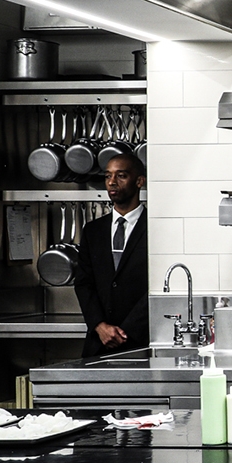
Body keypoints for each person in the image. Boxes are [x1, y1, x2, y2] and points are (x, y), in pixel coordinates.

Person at [74, 154, 148, 359]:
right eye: (108, 176)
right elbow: (83, 283)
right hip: (99, 343)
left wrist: (126, 332)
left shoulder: (154, 229)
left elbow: (156, 287)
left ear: (139, 181)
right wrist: (100, 326)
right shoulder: (93, 231)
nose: (112, 182)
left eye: (121, 176)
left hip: (140, 343)